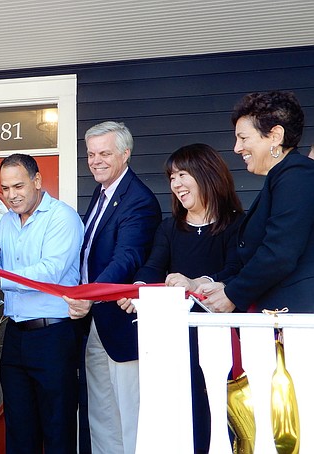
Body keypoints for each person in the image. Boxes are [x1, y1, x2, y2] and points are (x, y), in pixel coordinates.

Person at [117, 143, 244, 453]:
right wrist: (137, 289)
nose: (175, 185)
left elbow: (235, 270)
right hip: (177, 344)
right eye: (172, 177)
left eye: (182, 175)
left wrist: (196, 283)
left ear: (207, 175)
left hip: (223, 343)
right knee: (185, 419)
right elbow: (152, 267)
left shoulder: (238, 223)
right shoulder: (170, 228)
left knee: (223, 421)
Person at [0, 153, 84, 453]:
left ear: (37, 181)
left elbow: (48, 273)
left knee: (58, 430)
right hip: (14, 336)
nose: (11, 195)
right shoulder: (5, 222)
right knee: (19, 431)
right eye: (5, 188)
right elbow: (0, 265)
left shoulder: (62, 217)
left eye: (18, 186)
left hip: (53, 337)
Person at [81, 121, 161, 454]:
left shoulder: (137, 199)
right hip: (95, 323)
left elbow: (126, 257)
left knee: (132, 417)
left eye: (104, 153)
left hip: (122, 322)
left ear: (125, 154)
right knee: (102, 416)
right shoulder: (101, 194)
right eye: (90, 154)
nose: (95, 160)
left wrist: (89, 294)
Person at [198, 91, 314, 313]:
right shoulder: (283, 177)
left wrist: (232, 294)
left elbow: (279, 254)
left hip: (300, 322)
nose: (236, 148)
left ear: (275, 136)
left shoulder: (297, 175)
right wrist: (223, 285)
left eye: (243, 138)